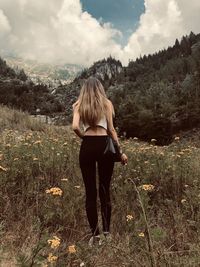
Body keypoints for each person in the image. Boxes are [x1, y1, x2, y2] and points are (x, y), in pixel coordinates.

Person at [72, 76, 128, 246]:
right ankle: (107, 233)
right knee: (104, 190)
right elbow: (111, 130)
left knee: (90, 192)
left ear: (85, 89)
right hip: (105, 145)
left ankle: (95, 236)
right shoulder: (107, 104)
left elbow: (75, 127)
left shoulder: (79, 104)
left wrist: (85, 138)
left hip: (88, 146)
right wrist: (120, 152)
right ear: (100, 89)